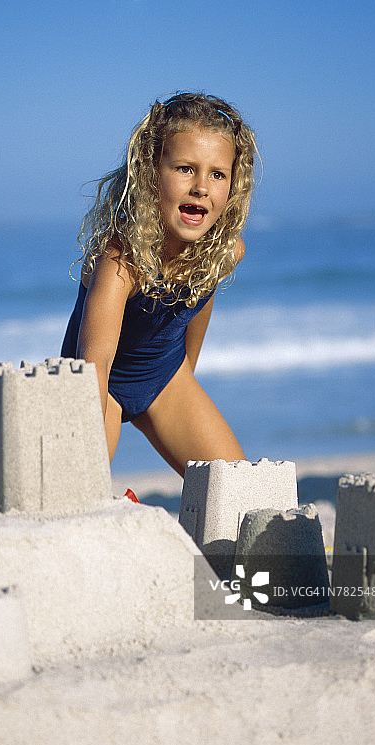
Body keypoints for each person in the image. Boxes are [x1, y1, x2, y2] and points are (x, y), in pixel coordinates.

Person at [61, 92, 256, 477]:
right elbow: (94, 364)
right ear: (151, 171)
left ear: (232, 187)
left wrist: (186, 384)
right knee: (78, 492)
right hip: (99, 389)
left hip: (165, 376)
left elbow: (199, 305)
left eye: (217, 174)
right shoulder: (121, 260)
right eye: (185, 168)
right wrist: (85, 453)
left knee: (240, 491)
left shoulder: (225, 251)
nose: (201, 186)